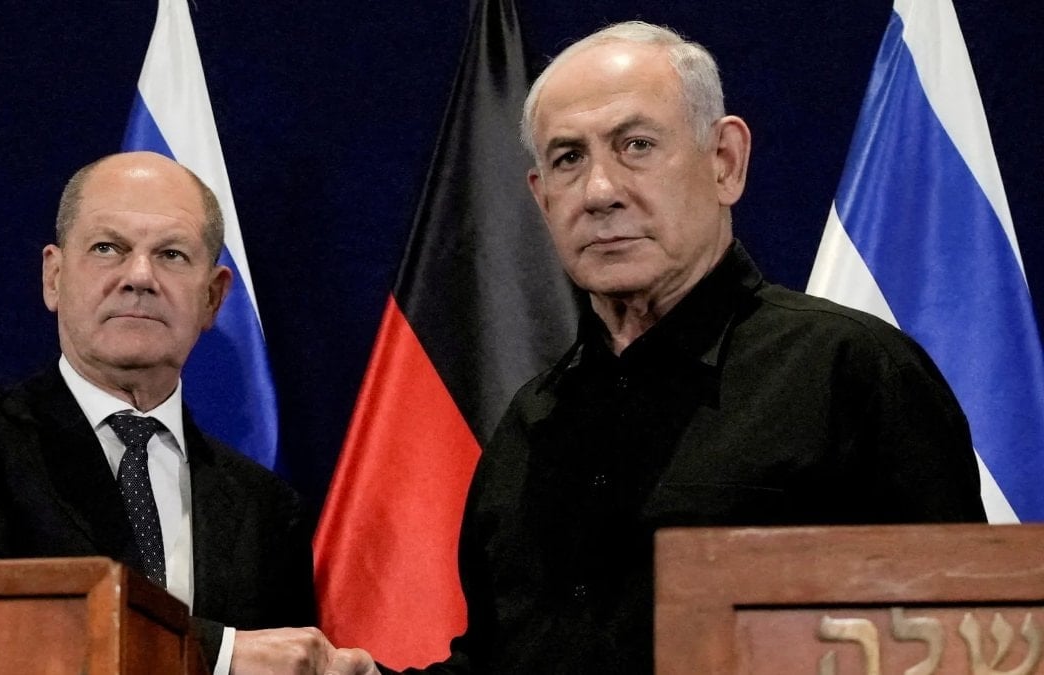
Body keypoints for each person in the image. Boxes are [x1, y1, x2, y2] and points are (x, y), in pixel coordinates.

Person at [338, 19, 988, 675]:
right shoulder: (529, 426)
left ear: (725, 162)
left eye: (637, 145)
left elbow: (955, 646)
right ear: (541, 198)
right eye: (568, 159)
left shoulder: (854, 374)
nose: (600, 192)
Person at [0, 151, 373, 675]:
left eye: (172, 255)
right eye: (107, 248)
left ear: (213, 297)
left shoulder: (266, 506)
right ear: (54, 276)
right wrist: (219, 654)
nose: (139, 276)